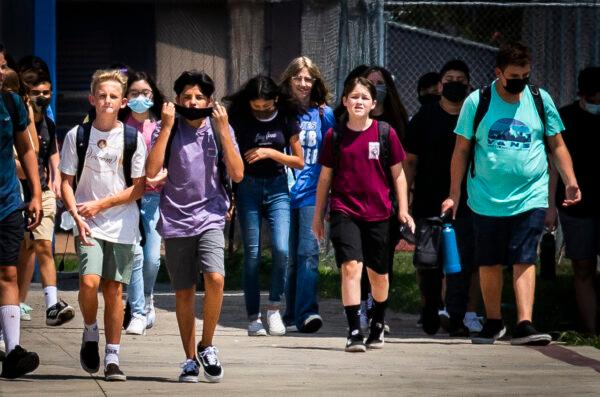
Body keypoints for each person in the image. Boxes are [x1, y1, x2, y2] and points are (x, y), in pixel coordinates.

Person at [441, 42, 581, 345]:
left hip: (530, 195)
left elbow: (556, 145)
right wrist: (453, 193)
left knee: (524, 256)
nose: (521, 81)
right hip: (485, 197)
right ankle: (493, 321)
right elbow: (461, 150)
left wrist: (570, 180)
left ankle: (524, 323)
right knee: (489, 261)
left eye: (526, 75)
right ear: (498, 72)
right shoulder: (477, 102)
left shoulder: (539, 100)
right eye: (514, 75)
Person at [146, 70, 243, 382]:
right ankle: (189, 359)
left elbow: (238, 174)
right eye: (186, 96)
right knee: (184, 291)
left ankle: (207, 344)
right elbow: (151, 170)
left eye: (199, 97)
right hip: (176, 218)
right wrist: (167, 126)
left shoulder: (218, 129)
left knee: (215, 278)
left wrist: (225, 130)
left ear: (210, 101)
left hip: (211, 215)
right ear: (177, 100)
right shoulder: (168, 128)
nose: (192, 101)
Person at [313, 76, 414, 352]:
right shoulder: (335, 136)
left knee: (378, 275)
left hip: (380, 214)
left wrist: (403, 211)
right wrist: (317, 217)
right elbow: (324, 180)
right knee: (350, 267)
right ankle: (354, 329)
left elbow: (399, 176)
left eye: (364, 98)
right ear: (345, 101)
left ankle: (378, 321)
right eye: (353, 97)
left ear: (373, 104)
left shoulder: (385, 133)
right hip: (344, 211)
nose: (358, 101)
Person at [60, 69, 147, 381]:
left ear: (123, 101)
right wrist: (77, 213)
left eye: (113, 96)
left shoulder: (132, 138)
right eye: (102, 96)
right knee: (89, 283)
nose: (107, 101)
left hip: (122, 224)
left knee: (114, 290)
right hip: (88, 225)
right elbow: (66, 182)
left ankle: (112, 358)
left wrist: (101, 204)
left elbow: (138, 188)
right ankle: (89, 330)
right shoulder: (77, 136)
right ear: (91, 99)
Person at [404, 60, 481, 337]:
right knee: (429, 262)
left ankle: (457, 317)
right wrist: (404, 200)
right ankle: (430, 309)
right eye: (449, 78)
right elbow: (410, 161)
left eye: (461, 79)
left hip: (468, 202)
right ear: (439, 85)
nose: (454, 83)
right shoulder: (424, 116)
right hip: (427, 200)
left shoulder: (476, 117)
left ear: (469, 85)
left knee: (461, 263)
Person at [226, 75, 303, 337]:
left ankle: (274, 308)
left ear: (276, 100)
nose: (261, 110)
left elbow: (299, 161)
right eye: (256, 107)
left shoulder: (285, 117)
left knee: (282, 249)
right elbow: (229, 154)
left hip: (278, 186)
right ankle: (253, 317)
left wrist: (268, 152)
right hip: (247, 186)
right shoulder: (239, 118)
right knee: (253, 254)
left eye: (266, 106)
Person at [15, 69, 76, 327]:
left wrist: (55, 180)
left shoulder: (49, 124)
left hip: (43, 193)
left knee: (42, 245)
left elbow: (52, 153)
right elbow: (19, 162)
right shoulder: (15, 123)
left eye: (47, 92)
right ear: (26, 96)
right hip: (16, 194)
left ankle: (52, 305)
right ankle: (13, 308)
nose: (43, 97)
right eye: (37, 93)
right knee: (20, 253)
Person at [279, 56, 335, 333]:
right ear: (288, 80)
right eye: (298, 78)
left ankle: (307, 313)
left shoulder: (324, 114)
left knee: (309, 252)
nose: (303, 83)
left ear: (315, 83)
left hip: (312, 191)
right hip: (281, 192)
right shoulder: (278, 111)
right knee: (287, 255)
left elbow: (331, 156)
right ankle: (289, 313)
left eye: (308, 79)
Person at [0, 43, 43, 379]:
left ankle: (13, 350)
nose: (1, 72)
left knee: (8, 274)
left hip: (7, 202)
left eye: (2, 65)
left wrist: (36, 193)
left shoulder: (10, 101)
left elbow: (26, 147)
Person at [547, 66, 600, 335]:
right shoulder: (565, 117)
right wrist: (549, 207)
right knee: (582, 264)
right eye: (594, 99)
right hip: (576, 205)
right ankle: (590, 330)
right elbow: (554, 164)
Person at [119, 71, 166, 335]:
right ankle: (137, 311)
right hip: (127, 197)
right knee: (134, 254)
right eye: (134, 93)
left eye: (145, 93)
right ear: (126, 98)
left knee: (151, 259)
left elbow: (173, 159)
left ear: (153, 96)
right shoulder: (119, 125)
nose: (140, 98)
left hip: (154, 196)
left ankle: (148, 298)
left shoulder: (160, 124)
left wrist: (165, 174)